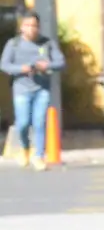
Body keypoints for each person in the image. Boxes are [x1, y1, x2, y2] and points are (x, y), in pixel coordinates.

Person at [1, 12, 66, 171]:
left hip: (42, 89)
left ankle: (38, 156)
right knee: (22, 123)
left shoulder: (46, 43)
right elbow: (4, 65)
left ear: (38, 27)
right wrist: (21, 69)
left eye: (34, 26)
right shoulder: (13, 44)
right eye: (27, 25)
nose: (31, 29)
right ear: (21, 27)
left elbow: (60, 62)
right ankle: (24, 149)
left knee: (39, 122)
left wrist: (47, 66)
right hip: (21, 88)